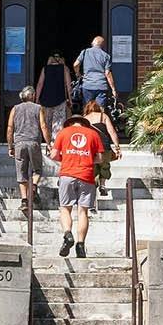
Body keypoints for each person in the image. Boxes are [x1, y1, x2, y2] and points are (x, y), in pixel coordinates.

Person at [51, 106, 106, 258]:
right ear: (84, 123)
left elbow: (54, 155)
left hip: (67, 174)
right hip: (86, 175)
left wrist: (66, 158)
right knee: (83, 212)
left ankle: (68, 234)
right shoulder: (93, 134)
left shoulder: (63, 132)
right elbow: (101, 158)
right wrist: (87, 158)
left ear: (70, 123)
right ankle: (80, 245)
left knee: (65, 208)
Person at [4, 90, 50, 224]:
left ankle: (24, 200)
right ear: (33, 96)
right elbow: (43, 126)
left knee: (21, 172)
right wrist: (48, 143)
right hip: (34, 142)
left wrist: (10, 146)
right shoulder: (38, 108)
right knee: (37, 170)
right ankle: (33, 187)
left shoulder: (15, 108)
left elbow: (10, 128)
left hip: (19, 143)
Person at [76, 34, 116, 112]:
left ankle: (87, 119)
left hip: (87, 85)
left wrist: (78, 74)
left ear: (92, 43)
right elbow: (107, 73)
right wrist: (113, 89)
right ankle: (99, 119)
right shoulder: (106, 56)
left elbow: (76, 65)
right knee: (100, 109)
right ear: (102, 45)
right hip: (101, 86)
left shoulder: (85, 52)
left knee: (87, 108)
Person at [34, 54, 71, 126]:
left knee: (46, 123)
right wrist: (70, 100)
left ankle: (47, 134)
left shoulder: (45, 68)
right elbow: (68, 85)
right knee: (59, 124)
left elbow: (40, 84)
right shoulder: (65, 69)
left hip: (45, 100)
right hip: (60, 100)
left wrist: (37, 99)